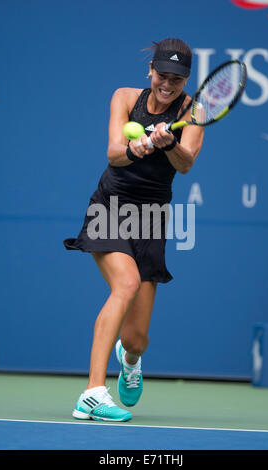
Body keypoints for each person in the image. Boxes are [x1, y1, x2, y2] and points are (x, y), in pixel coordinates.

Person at [63, 38, 204, 422]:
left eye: (177, 78)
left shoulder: (194, 111)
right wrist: (135, 149)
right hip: (111, 206)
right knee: (124, 285)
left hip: (151, 217)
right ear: (151, 71)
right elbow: (113, 152)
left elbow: (186, 163)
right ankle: (92, 393)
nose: (168, 84)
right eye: (162, 74)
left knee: (136, 339)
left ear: (186, 80)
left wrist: (169, 143)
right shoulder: (125, 97)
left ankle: (129, 361)